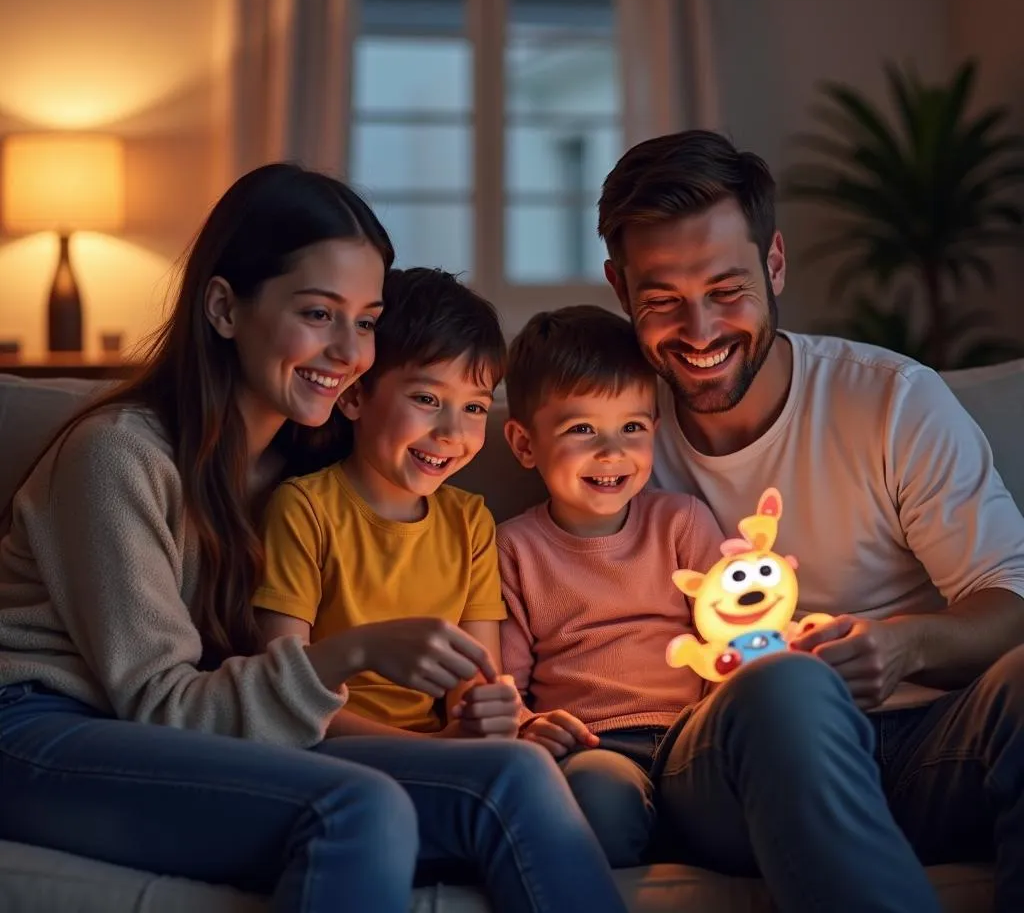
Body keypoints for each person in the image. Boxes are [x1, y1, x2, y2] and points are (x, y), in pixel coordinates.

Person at [0, 164, 629, 913]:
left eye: (365, 322)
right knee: (358, 809)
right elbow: (159, 702)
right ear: (226, 308)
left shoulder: (306, 463)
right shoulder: (118, 456)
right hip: (42, 732)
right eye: (318, 313)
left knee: (513, 777)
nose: (347, 352)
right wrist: (352, 654)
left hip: (181, 735)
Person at [598, 128, 1024, 912]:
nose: (698, 331)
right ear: (620, 290)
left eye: (726, 291)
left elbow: (1011, 603)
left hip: (925, 746)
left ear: (776, 264)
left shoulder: (890, 400)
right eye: (661, 300)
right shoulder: (611, 436)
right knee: (785, 689)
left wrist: (905, 645)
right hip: (730, 764)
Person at [497, 304, 724, 867]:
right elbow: (505, 680)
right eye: (582, 429)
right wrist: (528, 727)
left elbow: (729, 635)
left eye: (632, 427)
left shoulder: (682, 522)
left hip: (691, 738)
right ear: (525, 444)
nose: (611, 452)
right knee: (598, 796)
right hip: (594, 746)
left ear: (655, 432)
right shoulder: (512, 549)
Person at [254, 266, 521, 741]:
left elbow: (475, 683)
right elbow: (284, 692)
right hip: (334, 750)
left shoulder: (470, 522)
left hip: (436, 750)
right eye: (426, 398)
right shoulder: (304, 509)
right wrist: (434, 749)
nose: (452, 433)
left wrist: (500, 717)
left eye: (475, 408)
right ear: (355, 397)